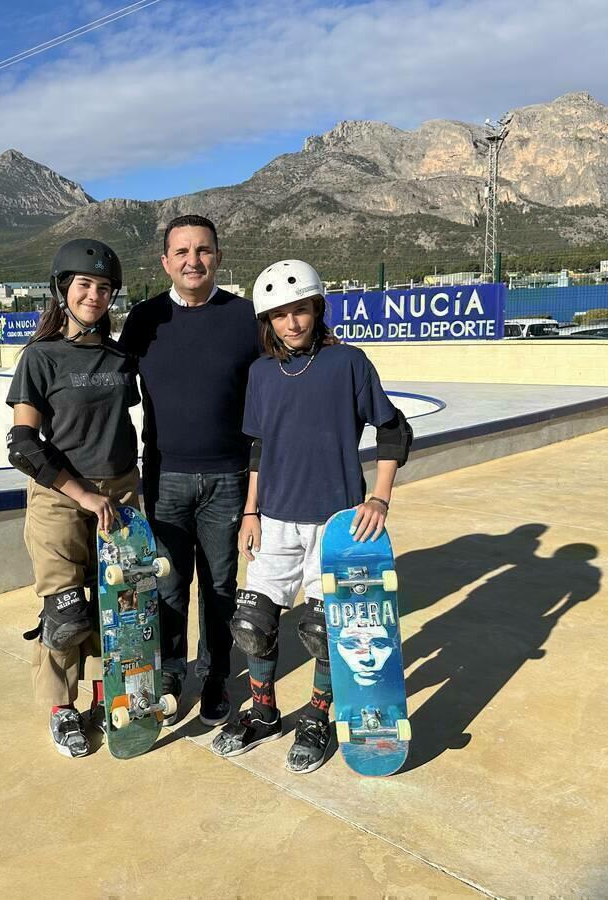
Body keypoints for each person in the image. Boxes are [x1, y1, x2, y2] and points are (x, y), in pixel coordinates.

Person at [210, 259, 413, 774]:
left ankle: (320, 717)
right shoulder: (261, 373)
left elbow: (392, 431)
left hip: (337, 521)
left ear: (317, 309)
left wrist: (379, 499)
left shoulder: (348, 364)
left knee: (325, 630)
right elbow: (258, 446)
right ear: (268, 322)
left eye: (300, 310)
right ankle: (263, 711)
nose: (292, 323)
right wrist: (251, 510)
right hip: (274, 518)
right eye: (280, 315)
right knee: (253, 624)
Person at [118, 214, 259, 727]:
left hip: (228, 477)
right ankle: (172, 670)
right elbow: (110, 390)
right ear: (165, 262)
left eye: (202, 251)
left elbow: (279, 382)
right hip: (164, 478)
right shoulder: (143, 319)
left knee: (220, 584)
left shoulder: (247, 318)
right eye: (182, 252)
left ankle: (217, 675)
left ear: (218, 257)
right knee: (169, 584)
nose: (192, 261)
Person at [6, 238, 141, 759]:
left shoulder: (119, 355)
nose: (95, 296)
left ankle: (108, 699)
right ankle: (63, 710)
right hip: (61, 497)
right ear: (63, 291)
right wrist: (81, 493)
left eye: (104, 288)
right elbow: (23, 445)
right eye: (84, 285)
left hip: (121, 491)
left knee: (120, 607)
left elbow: (118, 419)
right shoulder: (39, 358)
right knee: (66, 614)